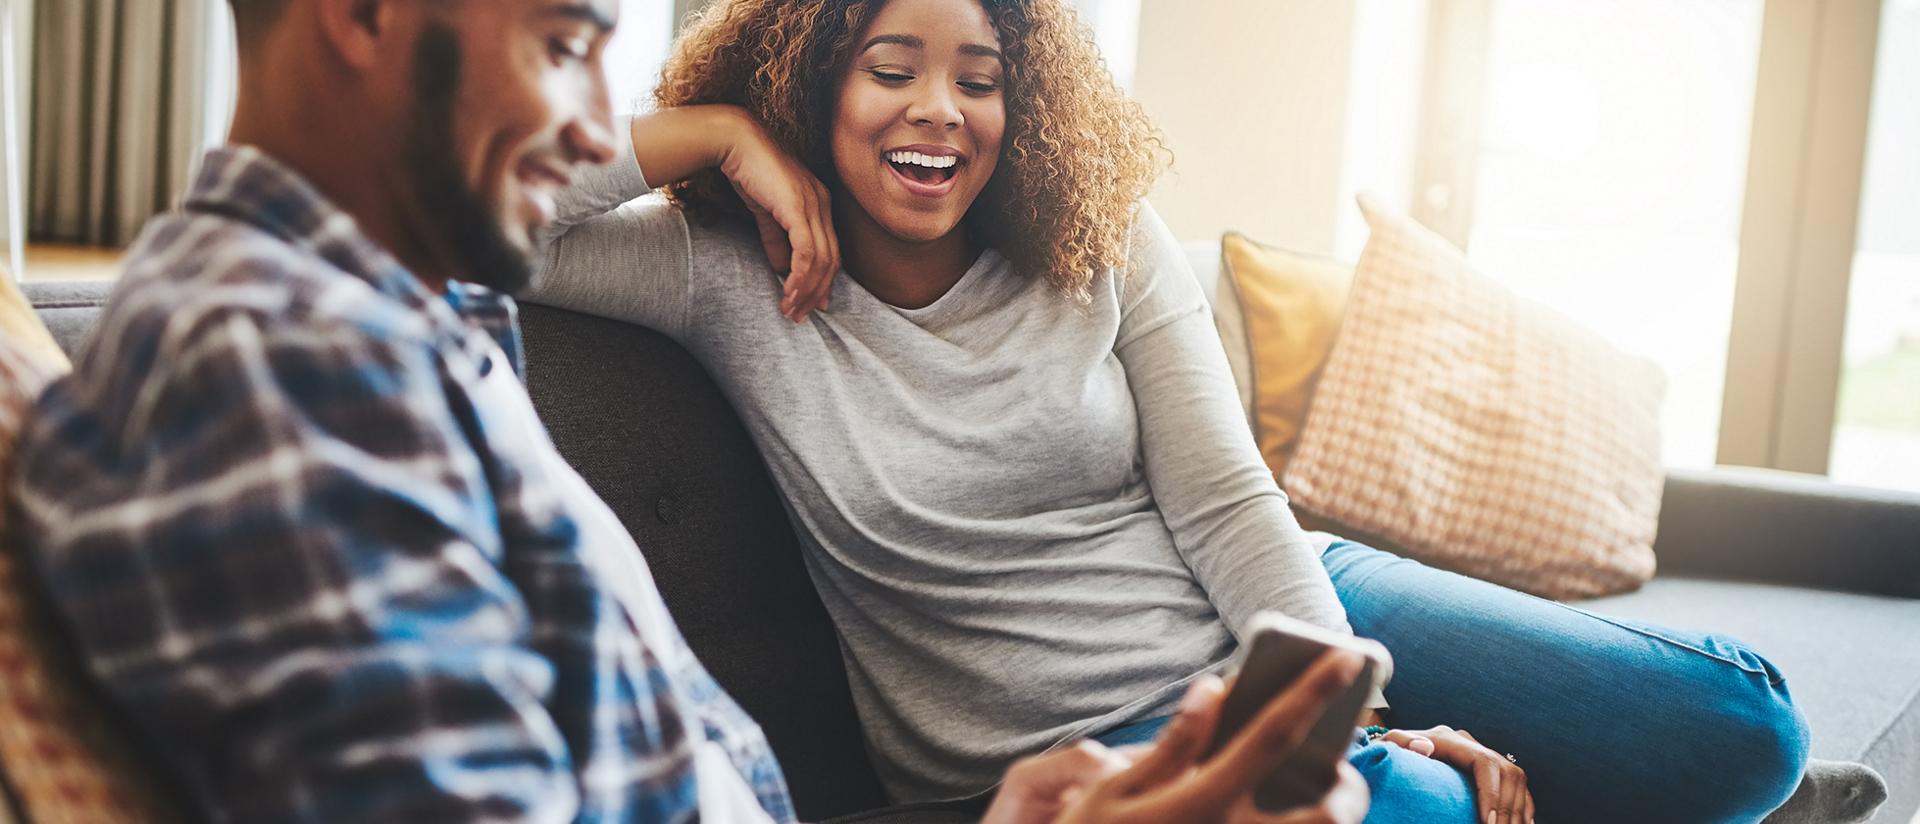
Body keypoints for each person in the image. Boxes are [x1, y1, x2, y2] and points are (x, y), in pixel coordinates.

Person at [6, 0, 1372, 821]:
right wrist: (713, 133)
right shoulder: (274, 380)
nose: (597, 126)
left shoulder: (403, 327)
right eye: (560, 42)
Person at [529, 0, 1815, 821]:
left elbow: (1226, 497)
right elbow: (474, 223)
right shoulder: (722, 271)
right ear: (810, 82)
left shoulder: (1096, 235)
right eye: (890, 68)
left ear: (1023, 101)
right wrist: (711, 132)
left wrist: (1346, 703)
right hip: (1069, 741)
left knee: (1747, 732)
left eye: (980, 77)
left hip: (1281, 598)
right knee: (1424, 810)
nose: (939, 109)